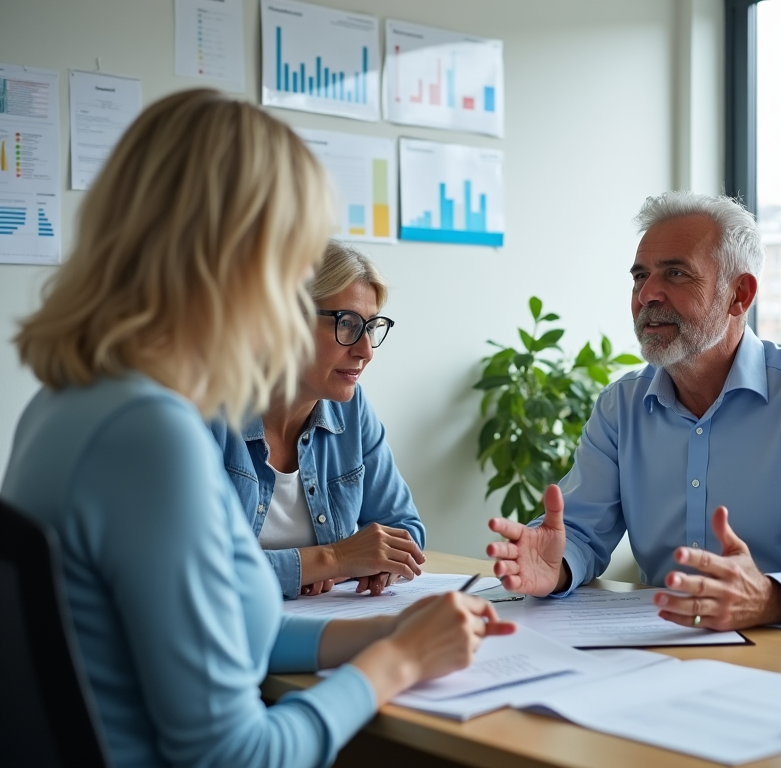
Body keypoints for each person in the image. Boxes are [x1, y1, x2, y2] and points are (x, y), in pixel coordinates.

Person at [0, 88, 513, 767]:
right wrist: (394, 664)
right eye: (294, 262)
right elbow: (238, 756)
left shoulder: (68, 403)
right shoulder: (151, 436)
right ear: (236, 260)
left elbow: (230, 632)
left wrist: (387, 631)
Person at [486, 190, 781, 631]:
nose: (648, 294)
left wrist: (772, 598)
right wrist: (554, 567)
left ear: (739, 295)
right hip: (661, 645)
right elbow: (576, 533)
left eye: (675, 274)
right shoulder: (622, 405)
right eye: (640, 276)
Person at [210, 242, 425, 599]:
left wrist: (379, 564)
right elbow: (199, 569)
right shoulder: (210, 412)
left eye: (371, 327)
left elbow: (404, 528)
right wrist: (332, 559)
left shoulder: (351, 409)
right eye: (348, 324)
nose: (365, 351)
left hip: (324, 625)